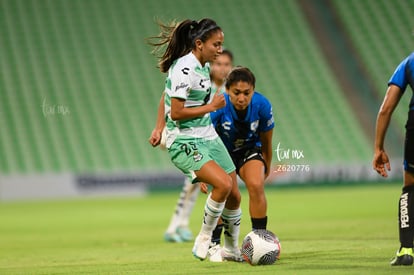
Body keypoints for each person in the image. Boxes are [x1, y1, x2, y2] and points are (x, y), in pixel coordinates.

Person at [147, 18, 242, 262]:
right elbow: (176, 111)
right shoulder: (184, 68)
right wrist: (210, 107)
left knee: (234, 195)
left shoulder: (204, 68)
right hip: (185, 139)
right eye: (216, 45)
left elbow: (165, 95)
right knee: (222, 185)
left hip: (208, 136)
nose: (220, 50)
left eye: (221, 45)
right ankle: (205, 238)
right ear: (199, 44)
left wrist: (158, 127)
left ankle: (231, 250)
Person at [160, 50, 235, 244]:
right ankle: (178, 225)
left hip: (214, 141)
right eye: (219, 64)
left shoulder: (232, 89)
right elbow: (169, 99)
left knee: (223, 187)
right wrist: (161, 129)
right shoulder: (202, 82)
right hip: (193, 140)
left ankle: (184, 226)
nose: (222, 68)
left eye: (227, 64)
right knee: (191, 186)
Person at [373, 52, 414, 266]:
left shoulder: (409, 63)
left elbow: (385, 109)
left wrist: (379, 148)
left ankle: (406, 249)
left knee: (410, 187)